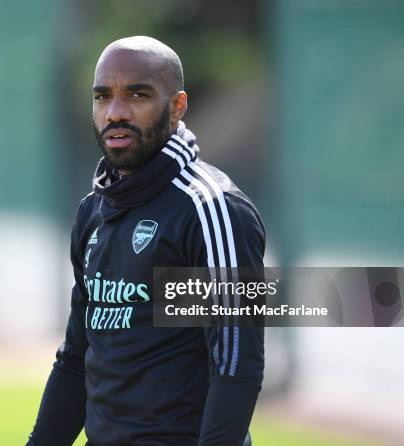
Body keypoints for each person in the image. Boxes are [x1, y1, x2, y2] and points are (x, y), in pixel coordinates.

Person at [27, 36, 264, 446]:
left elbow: (234, 365)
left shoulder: (210, 209)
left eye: (137, 94)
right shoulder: (93, 212)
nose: (115, 112)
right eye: (103, 97)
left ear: (177, 107)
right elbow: (76, 361)